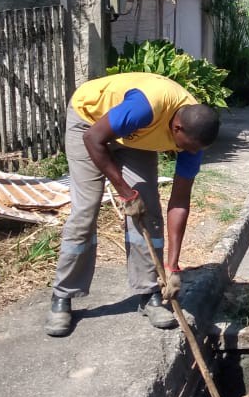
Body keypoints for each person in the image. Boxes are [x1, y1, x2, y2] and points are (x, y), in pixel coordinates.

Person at [45, 72, 220, 337]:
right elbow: (94, 139)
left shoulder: (194, 137)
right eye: (187, 147)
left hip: (136, 137)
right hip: (89, 122)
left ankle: (150, 292)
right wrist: (125, 192)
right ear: (176, 128)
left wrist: (173, 267)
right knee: (86, 209)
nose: (191, 153)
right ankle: (63, 296)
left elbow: (180, 200)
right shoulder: (146, 107)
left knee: (148, 210)